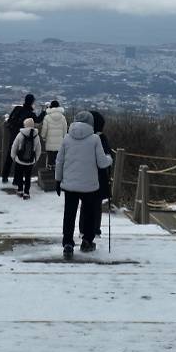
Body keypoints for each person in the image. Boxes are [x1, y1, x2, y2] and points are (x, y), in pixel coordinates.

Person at [55, 110, 112, 258]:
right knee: (89, 213)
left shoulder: (67, 138)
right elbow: (102, 163)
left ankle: (67, 243)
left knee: (69, 214)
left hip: (70, 184)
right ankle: (87, 241)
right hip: (89, 185)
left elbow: (59, 161)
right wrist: (109, 158)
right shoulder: (94, 139)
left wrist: (58, 179)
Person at [79, 110, 111, 238]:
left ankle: (83, 229)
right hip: (99, 178)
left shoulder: (83, 137)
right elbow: (106, 158)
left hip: (84, 176)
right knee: (96, 205)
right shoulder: (101, 138)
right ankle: (95, 229)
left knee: (85, 205)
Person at [1, 94, 44, 183]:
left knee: (10, 155)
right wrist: (44, 112)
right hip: (23, 137)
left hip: (13, 135)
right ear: (32, 102)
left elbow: (9, 120)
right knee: (19, 158)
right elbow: (38, 120)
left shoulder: (17, 108)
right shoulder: (30, 113)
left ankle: (5, 176)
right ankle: (17, 180)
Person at [10, 117, 42, 199]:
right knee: (28, 177)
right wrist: (36, 159)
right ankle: (26, 193)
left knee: (20, 175)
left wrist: (13, 156)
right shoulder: (36, 136)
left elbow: (14, 146)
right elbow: (38, 149)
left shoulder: (21, 134)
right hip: (30, 160)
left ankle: (20, 190)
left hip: (20, 160)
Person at [40, 100, 68, 167]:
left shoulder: (47, 117)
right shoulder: (63, 117)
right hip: (59, 141)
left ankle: (50, 167)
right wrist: (64, 138)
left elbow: (44, 129)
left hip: (50, 141)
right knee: (58, 158)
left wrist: (43, 136)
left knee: (50, 157)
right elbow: (65, 130)